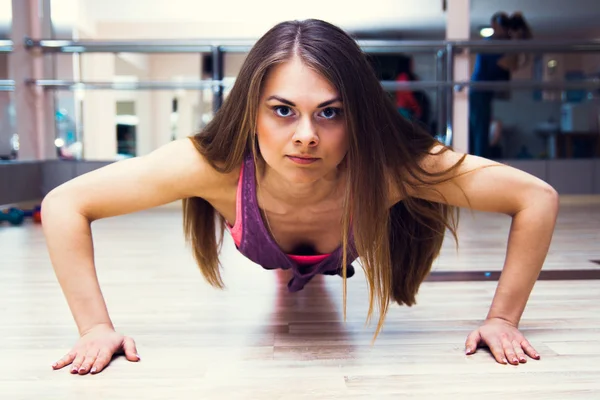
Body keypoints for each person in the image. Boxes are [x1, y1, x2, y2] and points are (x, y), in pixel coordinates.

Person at [42, 19, 559, 376]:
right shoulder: (210, 165)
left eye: (330, 112)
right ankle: (290, 271)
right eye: (283, 110)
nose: (306, 135)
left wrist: (502, 320)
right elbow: (65, 204)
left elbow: (535, 197)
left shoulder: (396, 168)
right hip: (267, 237)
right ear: (252, 111)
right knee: (288, 275)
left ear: (357, 116)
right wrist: (95, 329)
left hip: (345, 243)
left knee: (311, 273)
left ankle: (306, 270)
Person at [469, 12, 512, 158]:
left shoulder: (500, 44)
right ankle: (480, 160)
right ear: (494, 25)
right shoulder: (489, 44)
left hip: (485, 92)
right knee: (480, 129)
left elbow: (512, 66)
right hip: (478, 91)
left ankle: (481, 158)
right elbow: (507, 64)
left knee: (483, 128)